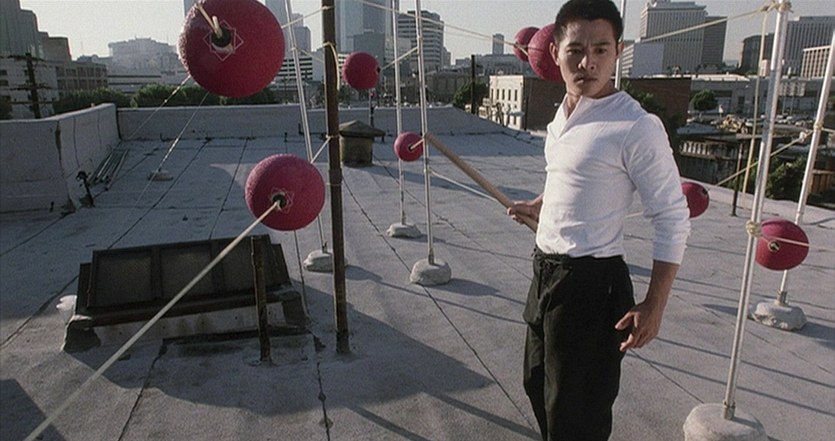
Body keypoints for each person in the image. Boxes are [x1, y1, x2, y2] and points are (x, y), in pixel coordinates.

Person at [506, 1, 691, 440]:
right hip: (546, 274)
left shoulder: (635, 126)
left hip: (590, 286)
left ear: (618, 51)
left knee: (576, 418)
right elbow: (573, 176)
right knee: (537, 384)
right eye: (575, 50)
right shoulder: (563, 115)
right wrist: (543, 205)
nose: (587, 62)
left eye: (600, 49)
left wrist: (655, 304)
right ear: (555, 53)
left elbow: (673, 217)